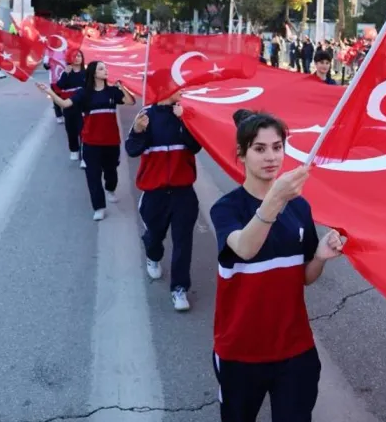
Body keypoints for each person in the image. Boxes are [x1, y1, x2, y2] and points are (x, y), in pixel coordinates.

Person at [209, 109, 344, 422]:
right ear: (241, 155)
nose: (270, 156)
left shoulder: (299, 206)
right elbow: (244, 248)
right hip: (240, 351)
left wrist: (321, 256)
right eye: (259, 148)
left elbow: (305, 277)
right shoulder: (226, 208)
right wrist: (273, 202)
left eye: (277, 147)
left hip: (294, 349)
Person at [125, 89, 202, 312]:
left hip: (183, 193)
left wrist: (184, 119)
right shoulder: (146, 114)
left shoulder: (185, 113)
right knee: (155, 235)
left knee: (183, 242)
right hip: (154, 193)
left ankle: (179, 288)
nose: (184, 91)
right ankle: (153, 255)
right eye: (179, 87)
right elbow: (131, 149)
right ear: (167, 89)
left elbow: (195, 147)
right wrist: (138, 131)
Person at [36, 61, 135, 220]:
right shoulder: (84, 93)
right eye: (102, 69)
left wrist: (122, 86)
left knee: (111, 171)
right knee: (93, 175)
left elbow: (130, 101)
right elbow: (65, 103)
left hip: (111, 141)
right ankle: (99, 207)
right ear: (94, 73)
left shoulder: (113, 92)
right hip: (91, 141)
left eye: (106, 68)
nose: (105, 71)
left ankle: (110, 188)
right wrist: (49, 92)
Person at [53, 50, 87, 163]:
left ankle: (85, 156)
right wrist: (66, 74)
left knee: (84, 131)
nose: (77, 58)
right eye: (75, 56)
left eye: (79, 56)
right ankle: (74, 150)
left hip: (82, 107)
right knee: (71, 130)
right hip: (68, 106)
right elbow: (59, 87)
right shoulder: (66, 72)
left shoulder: (86, 73)